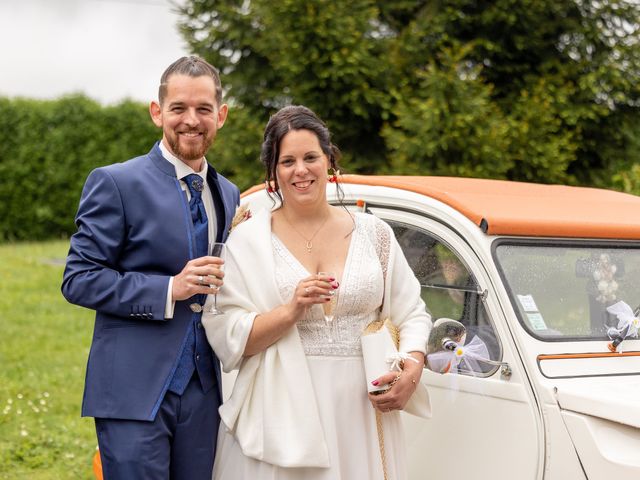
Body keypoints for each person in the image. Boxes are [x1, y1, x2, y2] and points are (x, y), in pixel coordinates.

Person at [202, 105, 431, 479]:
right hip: (281, 412)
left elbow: (413, 313)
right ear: (274, 173)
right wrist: (290, 310)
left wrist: (412, 368)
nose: (300, 170)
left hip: (362, 410)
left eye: (310, 157)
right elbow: (228, 335)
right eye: (287, 161)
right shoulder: (247, 241)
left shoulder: (375, 235)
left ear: (329, 161)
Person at [61, 56, 240, 479]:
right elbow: (78, 279)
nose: (191, 121)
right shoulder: (115, 183)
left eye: (203, 109)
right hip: (133, 390)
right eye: (178, 108)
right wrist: (168, 289)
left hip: (206, 391)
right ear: (157, 112)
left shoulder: (229, 194)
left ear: (222, 115)